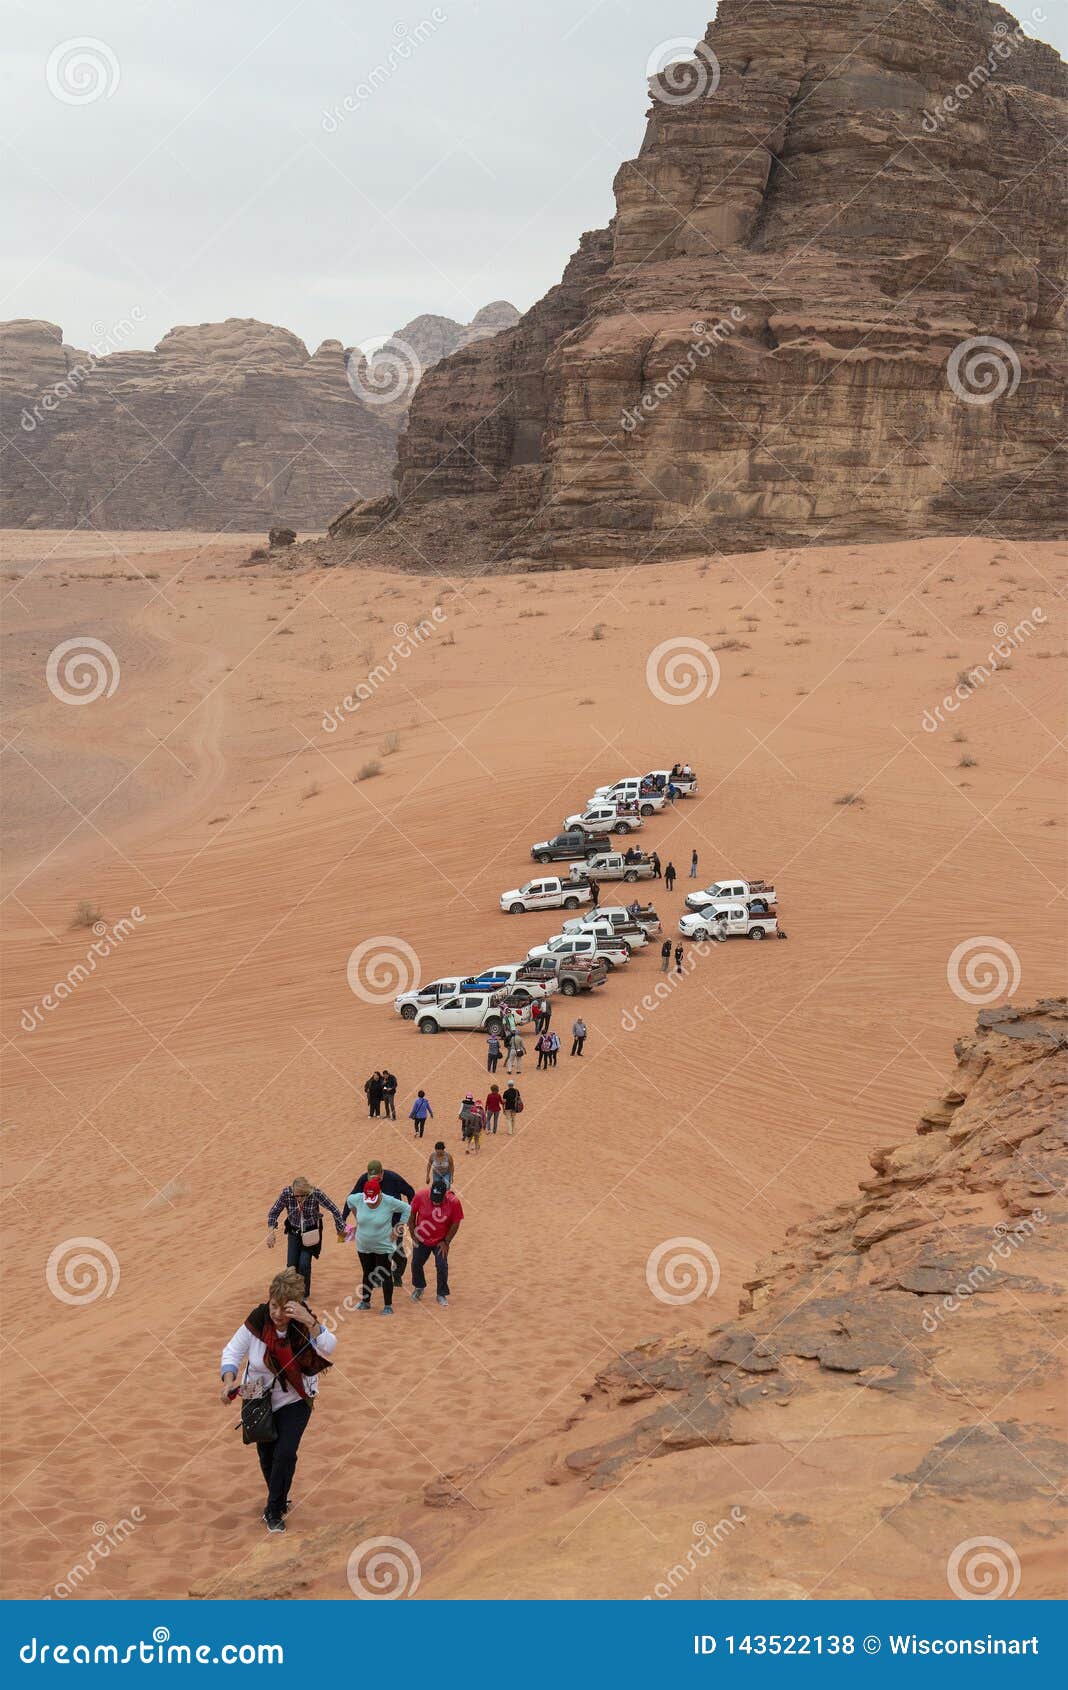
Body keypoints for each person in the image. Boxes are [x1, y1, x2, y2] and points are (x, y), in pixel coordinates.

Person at [220, 1265, 336, 1533]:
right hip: (257, 1396)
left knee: (285, 1453)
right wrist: (228, 1381)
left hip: (297, 1397)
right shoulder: (258, 1321)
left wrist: (310, 1321)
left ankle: (272, 1511)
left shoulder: (303, 1326)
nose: (277, 1313)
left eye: (285, 1308)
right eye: (274, 1305)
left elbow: (330, 1346)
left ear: (296, 1306)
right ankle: (280, 1496)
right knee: (267, 1457)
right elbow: (232, 1352)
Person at [266, 1177, 346, 1296]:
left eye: (303, 1195)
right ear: (292, 1192)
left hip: (310, 1234)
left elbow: (334, 1209)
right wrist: (271, 1233)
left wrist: (340, 1229)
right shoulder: (287, 1193)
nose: (300, 1199)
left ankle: (303, 1294)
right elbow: (273, 1212)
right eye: (297, 1196)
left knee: (304, 1264)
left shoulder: (315, 1193)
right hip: (294, 1232)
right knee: (291, 1267)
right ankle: (293, 1293)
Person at [346, 1176, 411, 1313]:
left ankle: (388, 1306)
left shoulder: (389, 1201)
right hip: (363, 1245)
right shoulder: (358, 1198)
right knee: (367, 1272)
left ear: (379, 1193)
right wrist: (357, 1216)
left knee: (385, 1273)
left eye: (373, 1200)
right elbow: (349, 1200)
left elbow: (407, 1208)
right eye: (368, 1200)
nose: (370, 1203)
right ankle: (365, 1302)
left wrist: (398, 1227)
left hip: (383, 1246)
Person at [350, 1160, 415, 1286]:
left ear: (382, 1173)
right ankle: (378, 1276)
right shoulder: (364, 1179)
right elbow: (352, 1197)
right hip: (375, 1223)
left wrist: (408, 1218)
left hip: (394, 1222)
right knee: (377, 1251)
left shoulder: (393, 1178)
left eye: (377, 1176)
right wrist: (356, 1218)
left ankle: (397, 1274)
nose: (374, 1179)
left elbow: (410, 1192)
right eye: (371, 1176)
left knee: (396, 1250)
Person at [408, 1178, 464, 1307]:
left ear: (445, 1194)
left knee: (442, 1265)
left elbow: (456, 1223)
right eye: (433, 1198)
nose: (435, 1202)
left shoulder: (454, 1202)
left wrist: (447, 1241)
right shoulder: (420, 1196)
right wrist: (413, 1235)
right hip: (422, 1238)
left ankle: (441, 1294)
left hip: (440, 1241)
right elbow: (411, 1215)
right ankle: (419, 1287)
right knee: (416, 1263)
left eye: (438, 1200)